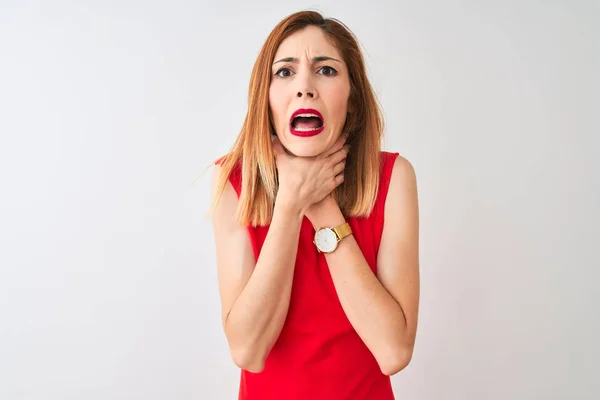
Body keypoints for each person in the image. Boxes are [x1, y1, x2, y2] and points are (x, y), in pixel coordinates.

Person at [210, 10, 420, 400]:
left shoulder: (394, 178)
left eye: (326, 70)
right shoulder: (233, 183)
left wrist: (322, 206)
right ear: (267, 99)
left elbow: (393, 351)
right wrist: (290, 204)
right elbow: (247, 351)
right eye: (285, 72)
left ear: (352, 98)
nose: (304, 87)